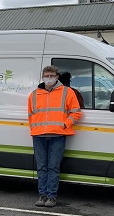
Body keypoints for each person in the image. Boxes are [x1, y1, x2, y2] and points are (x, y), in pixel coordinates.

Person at [28, 66, 82, 207]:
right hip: (39, 135)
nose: (49, 78)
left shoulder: (67, 92)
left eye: (52, 75)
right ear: (42, 77)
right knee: (41, 167)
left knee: (53, 167)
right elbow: (30, 115)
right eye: (47, 75)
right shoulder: (34, 94)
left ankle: (51, 197)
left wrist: (64, 125)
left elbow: (76, 112)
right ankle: (42, 196)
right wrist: (34, 129)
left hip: (58, 134)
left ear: (57, 77)